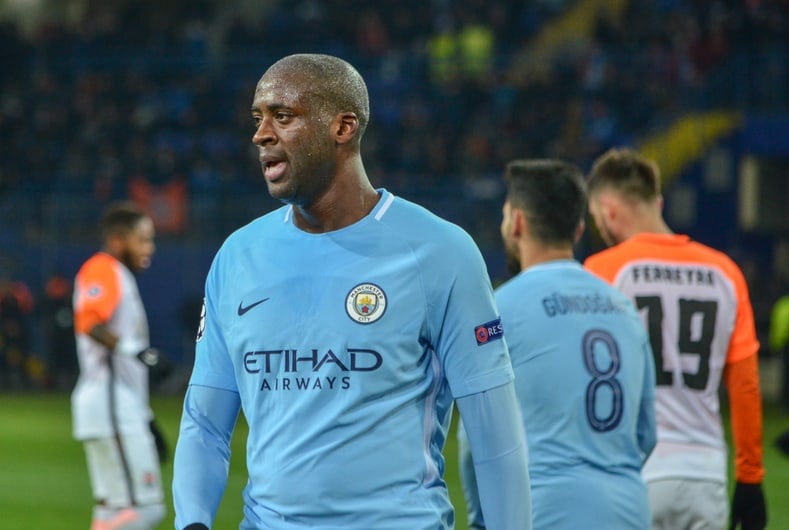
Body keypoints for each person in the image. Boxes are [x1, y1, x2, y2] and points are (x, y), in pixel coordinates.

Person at [171, 53, 531, 530]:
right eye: (258, 118)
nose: (260, 135)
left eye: (283, 116)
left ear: (343, 127)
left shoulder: (440, 252)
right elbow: (205, 425)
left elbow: (495, 434)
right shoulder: (238, 256)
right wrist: (192, 522)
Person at [457, 159, 657, 529]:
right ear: (579, 228)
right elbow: (646, 432)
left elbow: (476, 436)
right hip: (630, 508)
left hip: (547, 508)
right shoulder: (623, 308)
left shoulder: (499, 310)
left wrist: (481, 520)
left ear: (516, 222)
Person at [583, 148, 767, 530]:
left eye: (597, 218)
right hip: (706, 472)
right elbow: (745, 385)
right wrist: (750, 477)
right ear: (659, 202)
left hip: (633, 468)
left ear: (608, 209)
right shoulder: (725, 273)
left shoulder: (601, 271)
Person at [71, 201, 170, 530]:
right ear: (117, 240)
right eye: (142, 238)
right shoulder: (103, 269)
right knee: (145, 509)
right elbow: (88, 321)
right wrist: (135, 350)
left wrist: (145, 415)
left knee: (112, 512)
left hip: (117, 404)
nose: (149, 247)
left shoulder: (117, 274)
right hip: (110, 403)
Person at [768, 291, 789, 411]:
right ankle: (786, 403)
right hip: (788, 346)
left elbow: (776, 324)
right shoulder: (786, 306)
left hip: (788, 345)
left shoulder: (784, 305)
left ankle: (786, 402)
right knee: (788, 376)